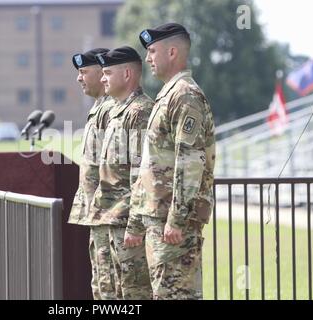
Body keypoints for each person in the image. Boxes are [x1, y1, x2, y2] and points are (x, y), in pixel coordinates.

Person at [124, 23, 216, 300]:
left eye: (152, 51)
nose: (148, 58)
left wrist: (176, 219)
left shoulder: (185, 95)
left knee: (176, 296)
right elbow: (151, 165)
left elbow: (189, 163)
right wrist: (137, 221)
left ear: (172, 52)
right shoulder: (168, 94)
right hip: (157, 217)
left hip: (173, 223)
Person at [87, 46, 153, 299]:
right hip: (111, 218)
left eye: (107, 73)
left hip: (128, 222)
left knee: (134, 294)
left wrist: (135, 224)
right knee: (112, 292)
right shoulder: (116, 111)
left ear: (127, 74)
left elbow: (142, 174)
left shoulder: (140, 112)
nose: (102, 79)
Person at [68, 48, 118, 300]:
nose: (79, 78)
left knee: (112, 290)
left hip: (111, 214)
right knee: (101, 287)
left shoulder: (113, 109)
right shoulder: (100, 107)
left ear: (101, 73)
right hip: (98, 213)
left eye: (84, 72)